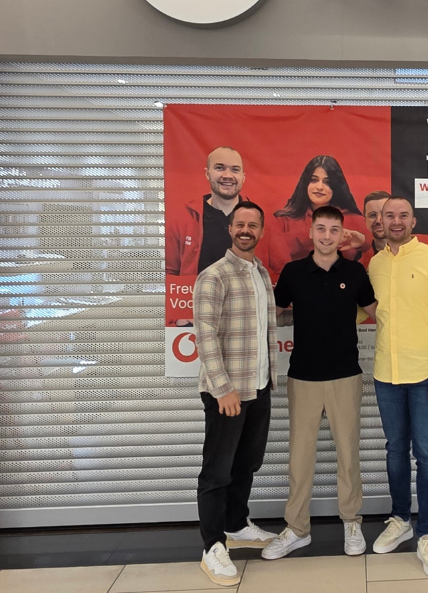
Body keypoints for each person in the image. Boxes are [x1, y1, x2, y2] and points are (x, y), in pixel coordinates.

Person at [261, 206, 379, 560]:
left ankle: (351, 522)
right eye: (321, 229)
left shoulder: (355, 272)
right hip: (303, 377)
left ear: (342, 235)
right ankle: (297, 529)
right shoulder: (294, 272)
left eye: (334, 230)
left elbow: (379, 313)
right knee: (299, 458)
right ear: (311, 232)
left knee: (348, 454)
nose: (327, 236)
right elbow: (271, 314)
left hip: (346, 375)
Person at [367, 196, 428, 579]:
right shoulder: (375, 264)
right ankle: (400, 519)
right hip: (386, 375)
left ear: (413, 221)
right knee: (394, 450)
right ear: (380, 220)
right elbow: (370, 311)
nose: (395, 221)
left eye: (402, 215)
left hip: (426, 376)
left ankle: (427, 534)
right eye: (388, 215)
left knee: (426, 454)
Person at [193, 201, 278, 587]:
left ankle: (236, 525)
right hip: (227, 392)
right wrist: (223, 388)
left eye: (253, 225)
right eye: (240, 224)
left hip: (258, 387)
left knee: (247, 463)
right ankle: (212, 546)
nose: (246, 230)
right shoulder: (214, 275)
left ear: (261, 231)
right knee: (217, 471)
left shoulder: (261, 273)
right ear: (230, 229)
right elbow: (205, 335)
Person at [166, 146, 267, 277]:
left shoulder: (260, 219)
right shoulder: (184, 219)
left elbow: (274, 271)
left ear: (243, 177)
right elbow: (169, 273)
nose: (227, 175)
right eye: (219, 168)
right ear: (207, 174)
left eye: (235, 170)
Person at [268, 155, 371, 280]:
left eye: (327, 182)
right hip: (297, 287)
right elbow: (281, 268)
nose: (319, 187)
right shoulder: (282, 221)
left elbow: (377, 261)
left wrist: (364, 244)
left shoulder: (357, 221)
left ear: (336, 186)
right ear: (305, 183)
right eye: (314, 180)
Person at [359, 190, 428, 268]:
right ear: (365, 221)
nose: (378, 220)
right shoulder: (365, 264)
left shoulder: (425, 242)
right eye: (372, 215)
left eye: (385, 214)